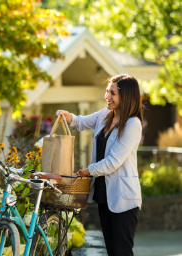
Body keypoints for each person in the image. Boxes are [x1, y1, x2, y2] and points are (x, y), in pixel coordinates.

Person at [56, 74, 143, 256]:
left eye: (113, 93)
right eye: (107, 91)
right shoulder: (105, 115)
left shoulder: (132, 124)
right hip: (105, 195)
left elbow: (113, 162)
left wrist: (87, 171)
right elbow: (80, 122)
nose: (107, 96)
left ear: (126, 97)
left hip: (123, 199)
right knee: (112, 251)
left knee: (122, 252)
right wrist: (68, 116)